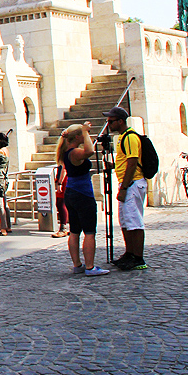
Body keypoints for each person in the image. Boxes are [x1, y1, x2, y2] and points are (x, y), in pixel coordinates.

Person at [56, 123, 109, 275]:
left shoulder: (65, 151)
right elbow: (90, 151)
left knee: (74, 231)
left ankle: (77, 265)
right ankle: (90, 266)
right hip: (83, 193)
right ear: (77, 137)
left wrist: (83, 132)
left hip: (71, 192)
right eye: (82, 135)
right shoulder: (75, 152)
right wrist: (86, 132)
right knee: (89, 231)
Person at [104, 107, 148, 270]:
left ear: (120, 121)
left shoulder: (130, 137)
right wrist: (114, 166)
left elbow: (132, 162)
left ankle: (138, 258)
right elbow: (125, 161)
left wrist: (124, 188)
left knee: (134, 221)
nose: (108, 124)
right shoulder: (122, 137)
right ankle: (129, 253)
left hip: (132, 183)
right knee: (126, 220)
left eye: (111, 121)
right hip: (128, 182)